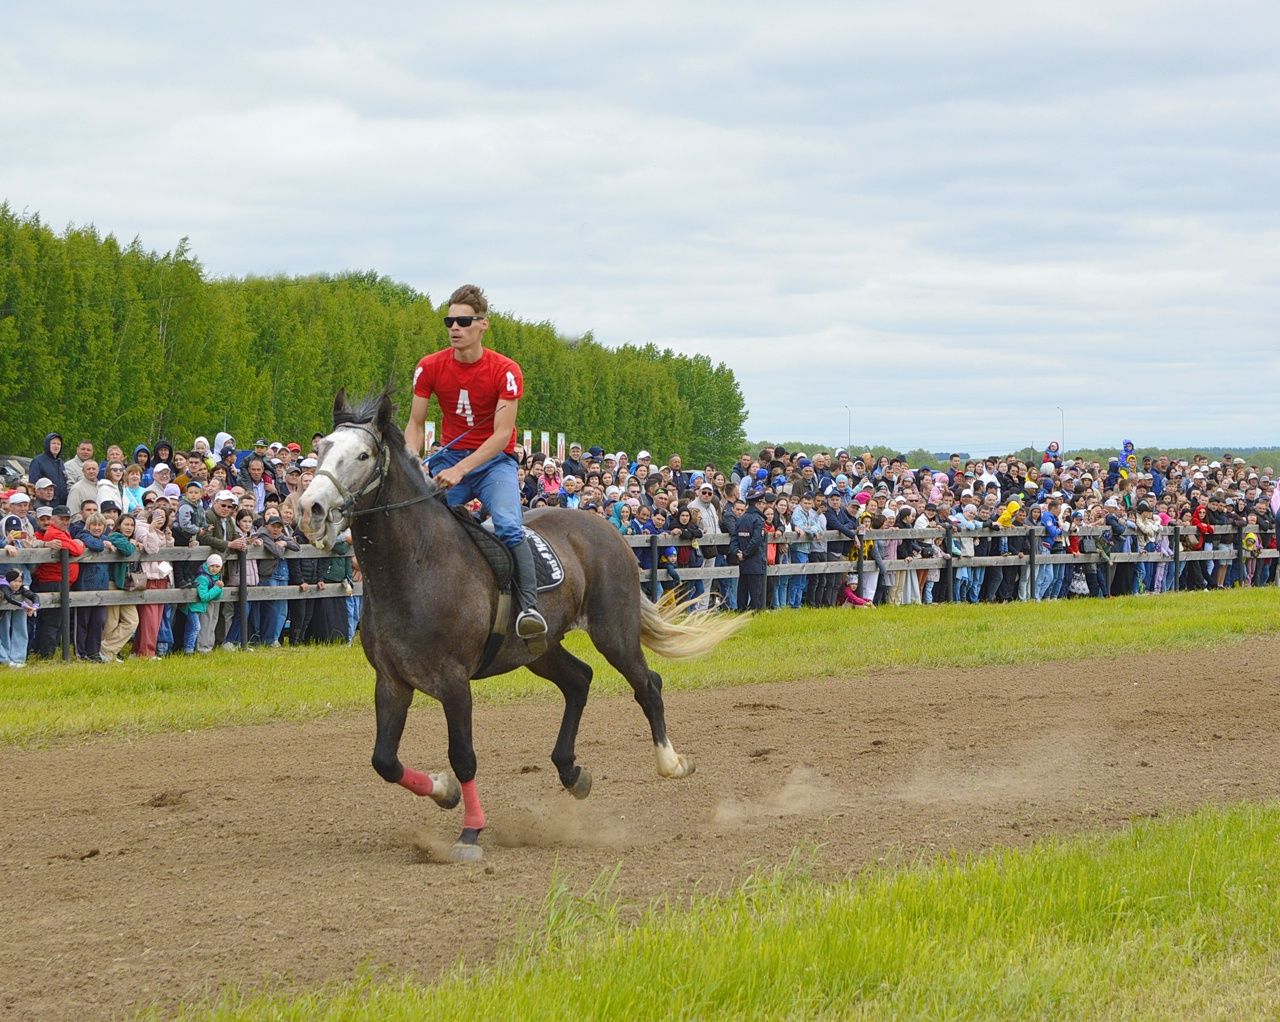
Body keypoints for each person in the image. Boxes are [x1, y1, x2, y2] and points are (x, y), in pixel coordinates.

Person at [406, 284, 546, 648]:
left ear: (482, 324)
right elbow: (416, 424)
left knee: (509, 525)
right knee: (412, 517)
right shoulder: (429, 366)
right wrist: (412, 463)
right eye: (449, 321)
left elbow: (502, 436)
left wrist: (461, 470)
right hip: (448, 458)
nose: (454, 328)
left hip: (493, 462)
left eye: (463, 321)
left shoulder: (506, 370)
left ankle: (529, 609)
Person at [730, 485, 767, 612]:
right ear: (757, 503)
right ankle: (755, 613)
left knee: (743, 589)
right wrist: (745, 554)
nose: (763, 506)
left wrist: (737, 552)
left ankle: (741, 612)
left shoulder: (741, 519)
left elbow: (734, 538)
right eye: (762, 503)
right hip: (755, 560)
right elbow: (756, 540)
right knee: (756, 591)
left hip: (743, 561)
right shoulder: (758, 520)